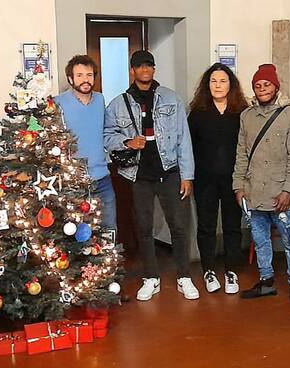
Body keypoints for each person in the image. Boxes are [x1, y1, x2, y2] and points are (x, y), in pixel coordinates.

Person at [104, 50, 198, 301]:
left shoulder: (171, 99)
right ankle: (151, 277)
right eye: (140, 66)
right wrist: (126, 141)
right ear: (132, 71)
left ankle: (184, 277)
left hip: (170, 173)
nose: (145, 70)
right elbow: (106, 136)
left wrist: (187, 175)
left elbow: (183, 139)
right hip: (137, 176)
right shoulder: (118, 103)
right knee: (143, 228)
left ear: (154, 70)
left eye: (149, 66)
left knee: (179, 225)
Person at [232, 64, 290, 309]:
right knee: (261, 240)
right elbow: (241, 155)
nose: (262, 89)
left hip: (281, 195)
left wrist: (289, 190)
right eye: (258, 85)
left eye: (267, 84)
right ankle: (266, 280)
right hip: (254, 192)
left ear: (276, 86)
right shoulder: (247, 116)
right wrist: (238, 187)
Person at [188, 62, 248, 294]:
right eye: (213, 81)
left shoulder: (241, 112)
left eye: (223, 81)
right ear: (207, 85)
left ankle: (231, 271)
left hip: (234, 181)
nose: (218, 85)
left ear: (230, 84)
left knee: (233, 227)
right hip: (205, 181)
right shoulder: (197, 113)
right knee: (206, 227)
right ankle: (209, 270)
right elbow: (189, 148)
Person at [55, 55, 117, 231]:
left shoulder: (100, 99)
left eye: (89, 75)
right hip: (73, 181)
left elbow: (106, 131)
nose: (85, 80)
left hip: (101, 176)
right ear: (70, 78)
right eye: (80, 75)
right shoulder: (58, 102)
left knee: (109, 228)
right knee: (78, 232)